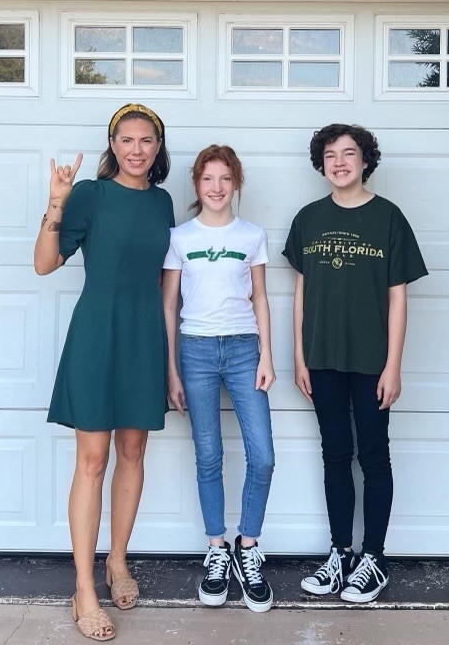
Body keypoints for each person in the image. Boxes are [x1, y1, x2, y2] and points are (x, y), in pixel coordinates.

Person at [34, 104, 177, 641]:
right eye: (126, 139)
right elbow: (45, 263)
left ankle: (118, 560)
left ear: (158, 148)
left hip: (143, 336)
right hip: (97, 332)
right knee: (92, 459)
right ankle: (84, 588)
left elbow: (168, 284)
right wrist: (55, 204)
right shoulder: (90, 195)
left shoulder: (163, 203)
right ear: (111, 145)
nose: (136, 149)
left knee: (134, 451)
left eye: (146, 140)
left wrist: (168, 355)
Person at [283, 124, 427, 604]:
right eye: (330, 154)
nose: (340, 162)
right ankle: (340, 553)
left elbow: (398, 297)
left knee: (374, 455)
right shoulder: (308, 219)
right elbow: (301, 291)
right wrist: (300, 355)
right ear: (320, 163)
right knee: (335, 454)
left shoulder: (389, 218)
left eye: (350, 153)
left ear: (366, 161)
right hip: (322, 358)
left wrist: (394, 366)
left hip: (371, 361)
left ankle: (375, 558)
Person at [162, 144, 275, 613]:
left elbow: (261, 299)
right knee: (209, 455)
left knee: (263, 456)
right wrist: (172, 368)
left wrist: (267, 355)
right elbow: (169, 304)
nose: (216, 187)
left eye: (225, 179)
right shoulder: (179, 237)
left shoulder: (252, 234)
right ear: (196, 184)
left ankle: (247, 549)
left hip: (244, 349)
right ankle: (216, 549)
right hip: (197, 351)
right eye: (208, 179)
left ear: (236, 184)